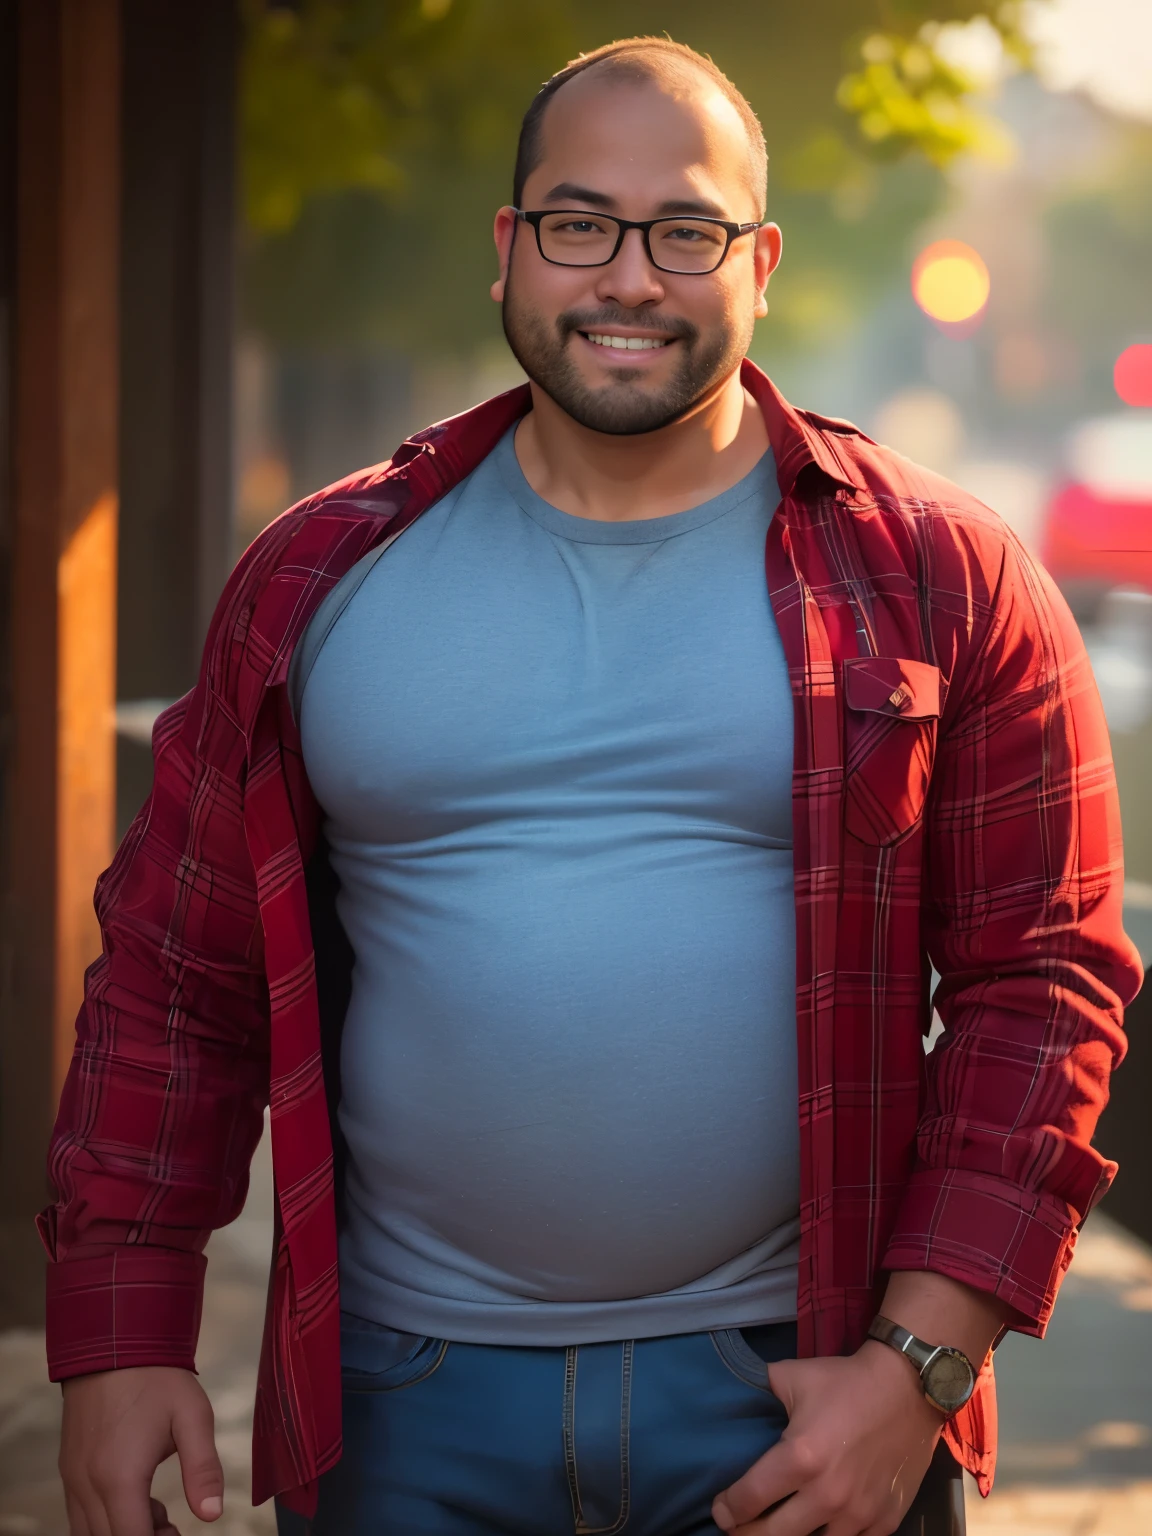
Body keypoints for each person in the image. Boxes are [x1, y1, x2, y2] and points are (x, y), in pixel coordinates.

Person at [47, 35, 1140, 1536]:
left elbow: (1045, 981)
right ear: (509, 255)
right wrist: (120, 1330)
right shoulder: (315, 580)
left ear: (757, 262)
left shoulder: (941, 574)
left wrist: (915, 1370)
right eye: (580, 223)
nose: (631, 275)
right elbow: (178, 974)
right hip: (398, 1398)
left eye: (685, 230)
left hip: (797, 1393)